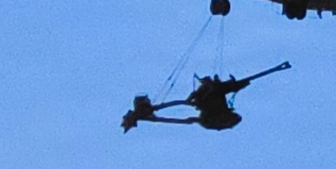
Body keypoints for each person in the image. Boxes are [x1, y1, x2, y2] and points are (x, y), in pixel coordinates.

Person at [121, 61, 291, 133]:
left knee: (193, 119)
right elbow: (188, 108)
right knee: (193, 119)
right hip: (213, 118)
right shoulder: (204, 97)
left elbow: (231, 87)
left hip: (216, 117)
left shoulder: (209, 94)